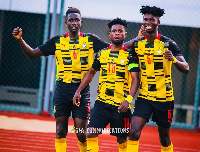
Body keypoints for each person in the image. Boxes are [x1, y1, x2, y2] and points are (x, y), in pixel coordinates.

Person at [12, 7, 111, 152]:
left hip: (82, 91)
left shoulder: (91, 40)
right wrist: (20, 39)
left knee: (81, 133)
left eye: (77, 20)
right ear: (66, 23)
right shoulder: (57, 41)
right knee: (60, 131)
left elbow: (114, 49)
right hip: (62, 90)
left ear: (81, 22)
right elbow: (32, 54)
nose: (74, 22)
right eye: (71, 20)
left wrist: (136, 41)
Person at [126, 5, 189, 152]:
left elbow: (186, 68)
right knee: (133, 131)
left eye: (152, 19)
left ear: (158, 22)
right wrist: (136, 37)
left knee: (164, 139)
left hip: (164, 98)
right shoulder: (138, 44)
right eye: (145, 19)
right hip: (145, 96)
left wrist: (173, 59)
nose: (148, 22)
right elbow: (120, 48)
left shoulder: (168, 43)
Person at [73, 18, 140, 152]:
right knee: (90, 132)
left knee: (122, 139)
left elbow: (136, 79)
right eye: (114, 31)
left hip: (121, 106)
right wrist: (78, 91)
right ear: (109, 34)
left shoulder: (130, 56)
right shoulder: (102, 54)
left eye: (120, 31)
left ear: (124, 35)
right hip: (102, 103)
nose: (117, 33)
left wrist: (128, 100)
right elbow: (91, 72)